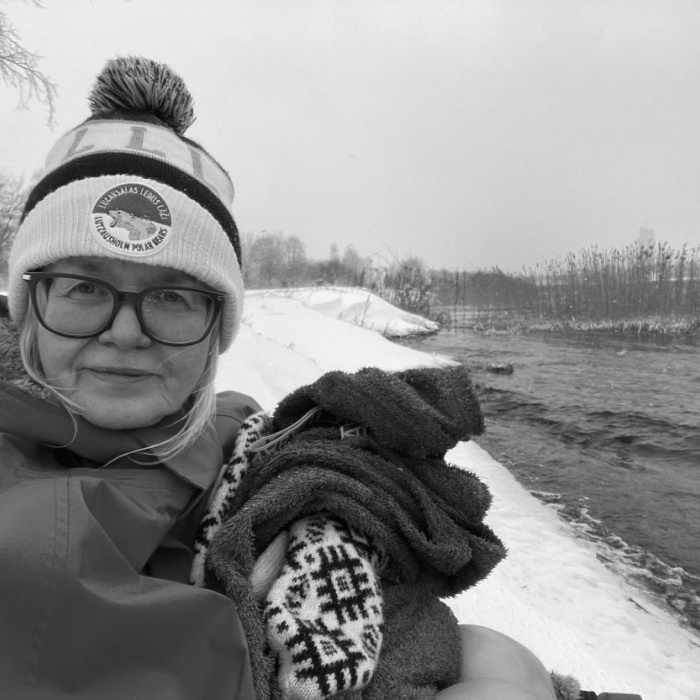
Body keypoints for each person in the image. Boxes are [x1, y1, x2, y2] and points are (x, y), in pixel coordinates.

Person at [0, 56, 557, 699]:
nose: (126, 332)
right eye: (83, 287)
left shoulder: (256, 449)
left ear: (217, 326)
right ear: (30, 308)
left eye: (173, 296)